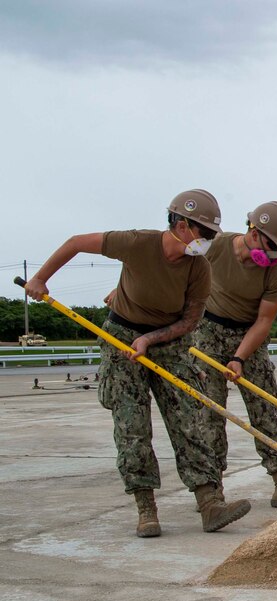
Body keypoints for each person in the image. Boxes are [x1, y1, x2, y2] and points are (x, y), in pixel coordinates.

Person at [24, 189, 251, 537]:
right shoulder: (137, 243)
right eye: (202, 233)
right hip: (121, 337)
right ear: (180, 223)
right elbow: (75, 242)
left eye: (210, 236)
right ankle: (146, 508)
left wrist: (150, 339)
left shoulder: (198, 268)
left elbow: (190, 321)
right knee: (132, 425)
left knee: (190, 419)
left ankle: (209, 503)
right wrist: (41, 278)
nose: (205, 241)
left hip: (169, 341)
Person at [192, 201, 277, 509]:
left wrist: (239, 358)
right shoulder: (214, 245)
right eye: (272, 245)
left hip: (249, 334)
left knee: (264, 408)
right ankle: (211, 493)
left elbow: (263, 321)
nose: (276, 254)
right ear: (253, 230)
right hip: (206, 330)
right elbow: (167, 261)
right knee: (209, 412)